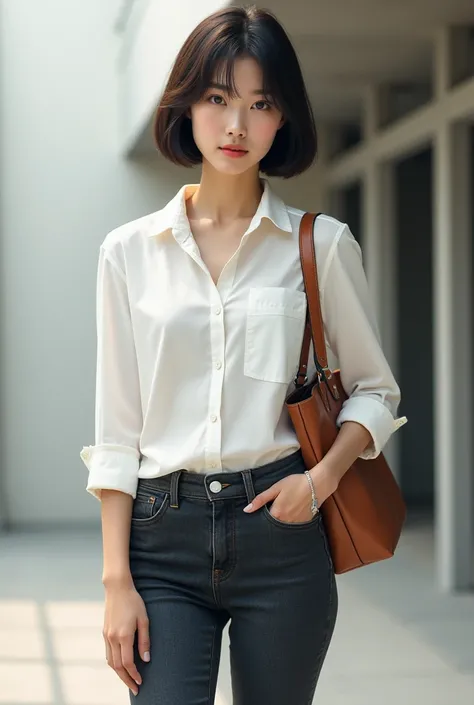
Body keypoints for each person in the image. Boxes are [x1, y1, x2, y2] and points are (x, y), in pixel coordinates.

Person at [80, 5, 406, 704]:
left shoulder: (320, 246)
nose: (237, 125)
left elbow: (376, 392)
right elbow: (116, 432)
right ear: (187, 104)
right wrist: (116, 581)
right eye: (219, 98)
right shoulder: (129, 253)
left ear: (282, 118)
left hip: (283, 534)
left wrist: (318, 481)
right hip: (161, 537)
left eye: (261, 104)